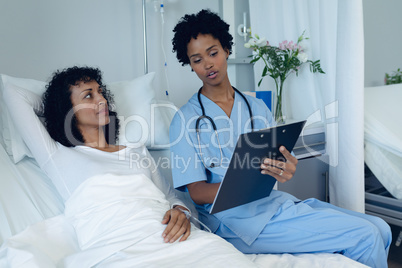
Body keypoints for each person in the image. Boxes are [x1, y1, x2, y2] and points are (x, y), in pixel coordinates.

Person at [169, 9, 392, 268]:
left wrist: (287, 169)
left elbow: (283, 165)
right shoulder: (185, 119)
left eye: (213, 53)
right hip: (233, 223)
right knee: (366, 235)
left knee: (381, 227)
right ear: (190, 64)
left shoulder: (257, 108)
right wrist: (239, 187)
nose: (207, 64)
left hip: (272, 205)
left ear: (227, 50)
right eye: (197, 59)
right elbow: (196, 193)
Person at [3, 66, 257, 266]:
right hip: (120, 248)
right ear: (66, 108)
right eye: (88, 95)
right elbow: (13, 94)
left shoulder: (136, 150)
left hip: (175, 238)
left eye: (101, 91)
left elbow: (171, 197)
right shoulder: (57, 156)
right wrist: (57, 105)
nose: (101, 99)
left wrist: (182, 211)